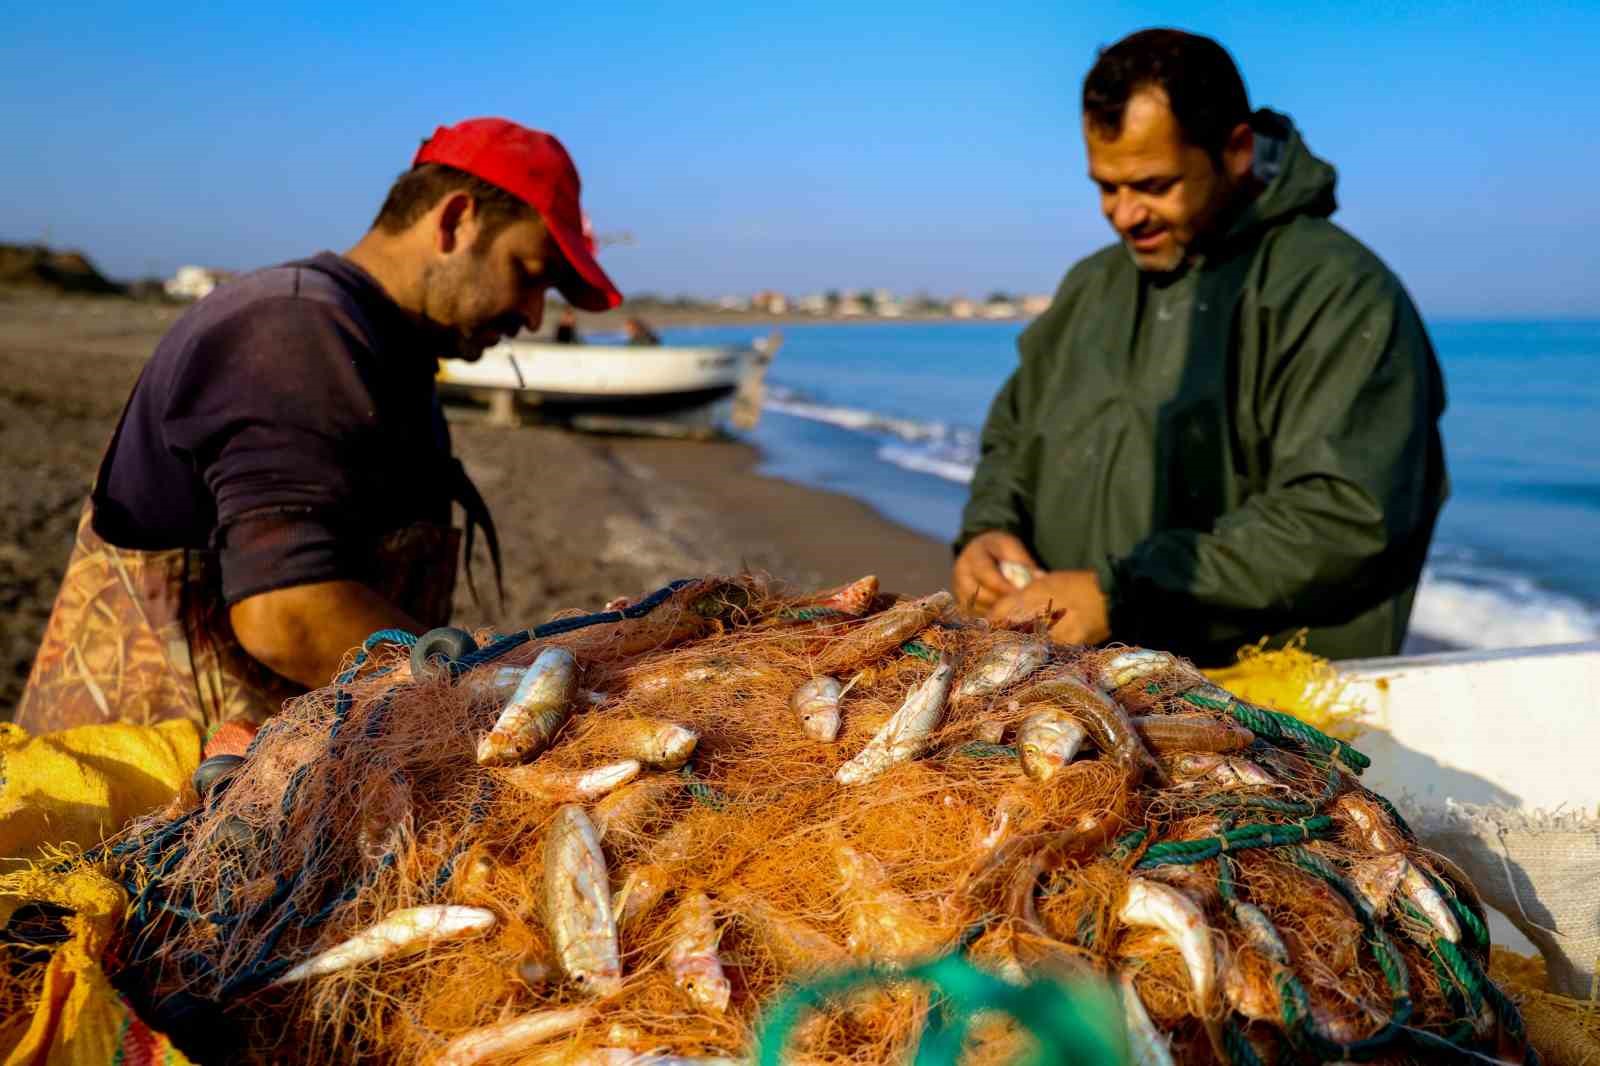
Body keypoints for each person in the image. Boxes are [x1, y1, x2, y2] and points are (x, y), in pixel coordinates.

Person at [15, 118, 622, 737]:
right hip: (153, 792)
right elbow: (289, 615)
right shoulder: (294, 330)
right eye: (528, 272)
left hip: (288, 766)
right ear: (454, 221)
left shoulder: (391, 352)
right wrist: (488, 689)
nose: (533, 314)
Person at [953, 29, 1447, 666]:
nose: (1125, 214)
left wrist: (1121, 594)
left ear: (1236, 150)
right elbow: (1012, 439)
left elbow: (1346, 516)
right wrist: (987, 531)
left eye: (1153, 185)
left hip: (1261, 714)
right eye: (1107, 186)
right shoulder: (1091, 286)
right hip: (1074, 686)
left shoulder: (1340, 293)